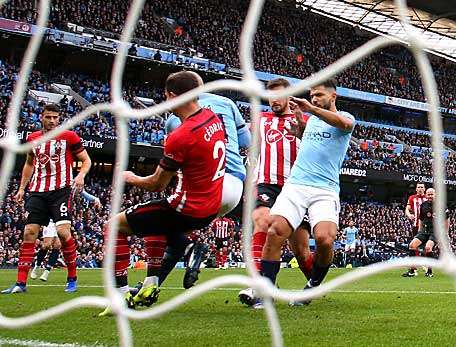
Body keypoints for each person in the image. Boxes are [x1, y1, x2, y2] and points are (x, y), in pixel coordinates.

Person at [99, 71, 226, 316]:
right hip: (211, 206)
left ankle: (121, 294)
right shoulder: (212, 118)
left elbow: (157, 183)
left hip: (185, 208)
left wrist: (131, 177)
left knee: (115, 226)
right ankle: (152, 284)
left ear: (170, 95)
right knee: (155, 223)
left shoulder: (181, 136)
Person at [137, 73, 251, 299]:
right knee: (174, 234)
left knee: (159, 224)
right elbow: (246, 142)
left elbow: (173, 159)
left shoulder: (174, 119)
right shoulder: (227, 103)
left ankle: (190, 251)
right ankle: (150, 286)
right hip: (235, 186)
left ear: (173, 94)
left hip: (208, 185)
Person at [260, 78, 355, 306]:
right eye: (312, 96)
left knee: (324, 239)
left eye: (319, 95)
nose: (314, 99)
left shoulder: (346, 118)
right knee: (275, 231)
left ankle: (312, 286)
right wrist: (300, 129)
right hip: (297, 185)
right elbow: (313, 140)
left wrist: (310, 110)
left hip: (325, 189)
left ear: (333, 97)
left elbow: (343, 126)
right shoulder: (311, 120)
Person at [238, 78, 315, 309]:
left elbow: (316, 150)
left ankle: (315, 284)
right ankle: (261, 286)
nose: (273, 101)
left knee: (301, 252)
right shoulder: (260, 120)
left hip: (296, 188)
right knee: (262, 222)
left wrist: (302, 127)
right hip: (266, 184)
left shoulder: (306, 120)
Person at [1, 104, 92, 294]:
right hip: (37, 190)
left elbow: (86, 160)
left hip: (61, 190)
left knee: (63, 232)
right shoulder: (32, 139)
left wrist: (81, 175)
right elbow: (29, 164)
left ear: (60, 119)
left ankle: (72, 278)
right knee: (29, 232)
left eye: (55, 117)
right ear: (41, 117)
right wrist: (21, 189)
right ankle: (20, 283)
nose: (52, 121)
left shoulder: (69, 137)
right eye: (48, 117)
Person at [30, 192, 101, 282]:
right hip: (50, 220)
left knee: (57, 246)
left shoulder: (71, 185)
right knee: (46, 245)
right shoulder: (55, 186)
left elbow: (82, 191)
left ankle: (47, 271)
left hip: (62, 219)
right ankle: (37, 266)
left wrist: (95, 199)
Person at [403, 188, 448, 278]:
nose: (430, 196)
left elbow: (446, 220)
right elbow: (421, 219)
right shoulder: (423, 205)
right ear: (426, 195)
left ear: (435, 194)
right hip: (424, 231)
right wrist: (420, 230)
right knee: (412, 245)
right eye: (428, 194)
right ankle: (412, 270)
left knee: (428, 247)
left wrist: (445, 234)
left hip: (435, 232)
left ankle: (429, 271)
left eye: (432, 194)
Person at [402, 183, 426, 277]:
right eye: (418, 187)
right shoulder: (412, 198)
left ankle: (426, 266)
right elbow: (407, 209)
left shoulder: (428, 198)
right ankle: (414, 268)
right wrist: (409, 215)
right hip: (416, 225)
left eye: (422, 187)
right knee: (413, 246)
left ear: (424, 189)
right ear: (416, 189)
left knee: (427, 246)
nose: (420, 189)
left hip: (426, 226)